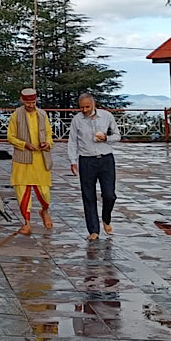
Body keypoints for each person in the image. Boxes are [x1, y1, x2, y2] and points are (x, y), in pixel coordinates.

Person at [67, 92, 121, 241]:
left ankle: (106, 217)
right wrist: (73, 161)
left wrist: (106, 138)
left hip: (106, 159)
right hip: (86, 160)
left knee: (109, 194)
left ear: (93, 104)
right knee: (88, 196)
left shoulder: (106, 116)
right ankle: (93, 230)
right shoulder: (77, 120)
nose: (84, 110)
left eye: (87, 107)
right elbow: (72, 142)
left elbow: (118, 136)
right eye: (81, 107)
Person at [6, 87, 53, 234]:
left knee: (44, 191)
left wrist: (48, 144)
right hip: (22, 160)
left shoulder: (42, 114)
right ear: (22, 101)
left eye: (33, 102)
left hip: (40, 159)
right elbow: (10, 137)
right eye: (28, 103)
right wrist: (24, 145)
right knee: (22, 192)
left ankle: (44, 211)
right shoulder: (16, 115)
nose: (31, 105)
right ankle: (26, 223)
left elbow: (49, 133)